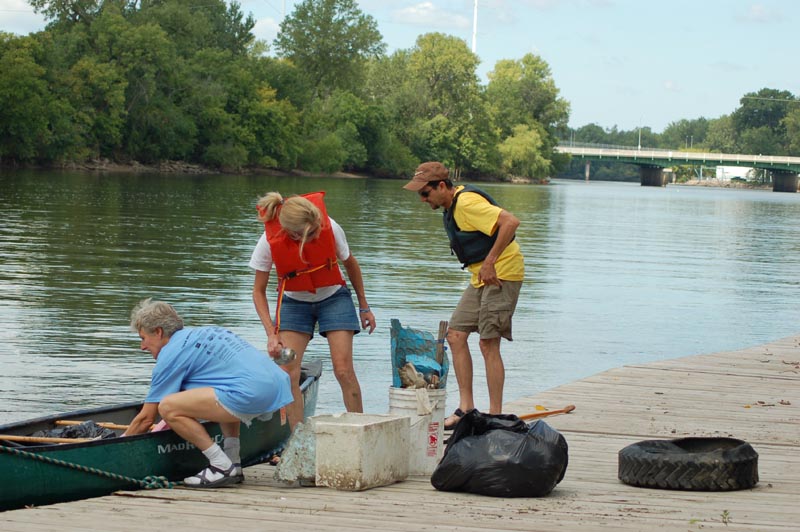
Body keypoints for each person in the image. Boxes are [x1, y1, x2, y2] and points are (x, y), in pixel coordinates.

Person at [403, 162, 524, 430]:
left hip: (502, 272)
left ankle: (495, 417)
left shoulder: (467, 203)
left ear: (441, 186)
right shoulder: (451, 207)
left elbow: (510, 222)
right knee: (456, 335)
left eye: (425, 193)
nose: (423, 199)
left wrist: (490, 261)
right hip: (480, 276)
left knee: (488, 343)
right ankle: (466, 408)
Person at [123, 298, 293, 488]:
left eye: (143, 338)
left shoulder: (170, 353)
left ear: (158, 332)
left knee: (168, 407)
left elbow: (146, 419)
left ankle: (221, 466)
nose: (142, 347)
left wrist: (119, 445)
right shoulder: (201, 333)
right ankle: (233, 461)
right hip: (277, 386)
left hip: (252, 392)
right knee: (222, 391)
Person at [250, 191, 376, 430]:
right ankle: (299, 439)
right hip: (294, 304)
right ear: (293, 234)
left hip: (334, 298)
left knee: (343, 370)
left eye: (317, 229)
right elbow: (258, 291)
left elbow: (350, 264)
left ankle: (360, 433)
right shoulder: (268, 242)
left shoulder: (331, 227)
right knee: (288, 372)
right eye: (311, 234)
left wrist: (364, 306)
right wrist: (271, 333)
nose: (318, 235)